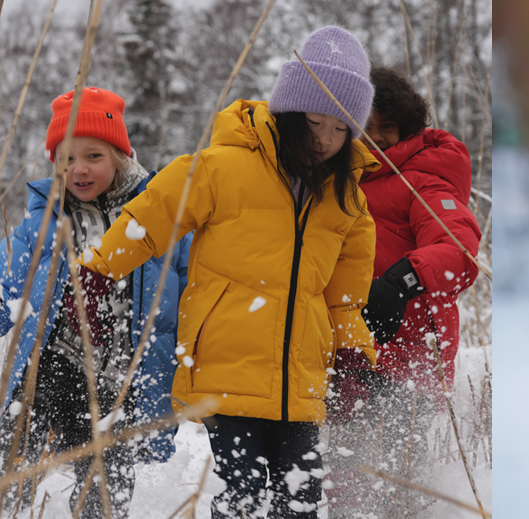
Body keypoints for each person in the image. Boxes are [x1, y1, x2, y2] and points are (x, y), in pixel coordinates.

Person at [77, 26, 381, 518]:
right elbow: (153, 213)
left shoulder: (348, 199)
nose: (326, 138)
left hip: (299, 377)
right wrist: (99, 269)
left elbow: (344, 297)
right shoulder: (224, 167)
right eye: (316, 120)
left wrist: (350, 350)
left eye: (341, 128)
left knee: (301, 497)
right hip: (229, 360)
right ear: (289, 111)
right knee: (243, 492)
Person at [0, 87, 190, 518]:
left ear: (121, 158)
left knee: (104, 491)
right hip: (48, 369)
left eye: (93, 156)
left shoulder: (158, 219)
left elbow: (190, 288)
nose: (78, 169)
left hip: (118, 380)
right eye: (66, 158)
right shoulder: (44, 222)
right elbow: (5, 284)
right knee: (13, 466)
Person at [324, 66, 481, 517]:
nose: (374, 139)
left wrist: (401, 281)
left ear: (407, 130)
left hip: (405, 358)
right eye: (363, 127)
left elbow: (458, 249)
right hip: (345, 354)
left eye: (387, 127)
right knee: (339, 484)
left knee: (389, 486)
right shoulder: (334, 181)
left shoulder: (420, 178)